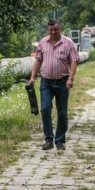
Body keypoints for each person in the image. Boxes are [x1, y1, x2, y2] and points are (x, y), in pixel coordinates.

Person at [28, 19, 81, 150]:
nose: (53, 32)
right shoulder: (42, 43)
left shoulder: (68, 43)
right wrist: (33, 77)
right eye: (51, 30)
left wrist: (71, 78)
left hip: (63, 81)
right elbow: (38, 60)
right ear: (48, 30)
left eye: (55, 29)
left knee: (62, 113)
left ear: (60, 29)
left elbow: (74, 61)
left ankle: (59, 141)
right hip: (46, 81)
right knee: (45, 109)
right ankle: (48, 139)